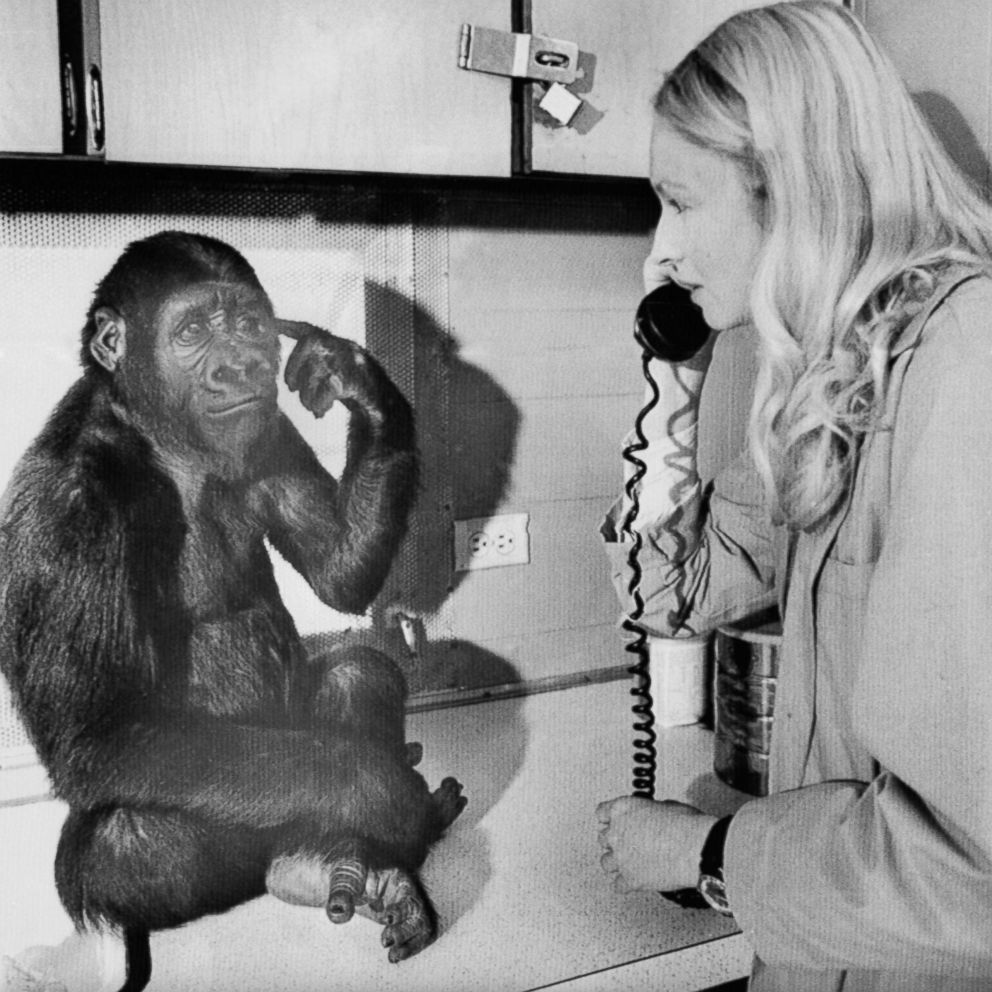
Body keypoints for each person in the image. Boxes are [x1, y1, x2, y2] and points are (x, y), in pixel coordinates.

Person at [595, 3, 992, 990]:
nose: (658, 252)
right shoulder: (837, 381)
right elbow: (673, 587)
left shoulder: (965, 368)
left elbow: (968, 872)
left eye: (679, 201)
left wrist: (708, 856)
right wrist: (670, 388)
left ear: (789, 191)